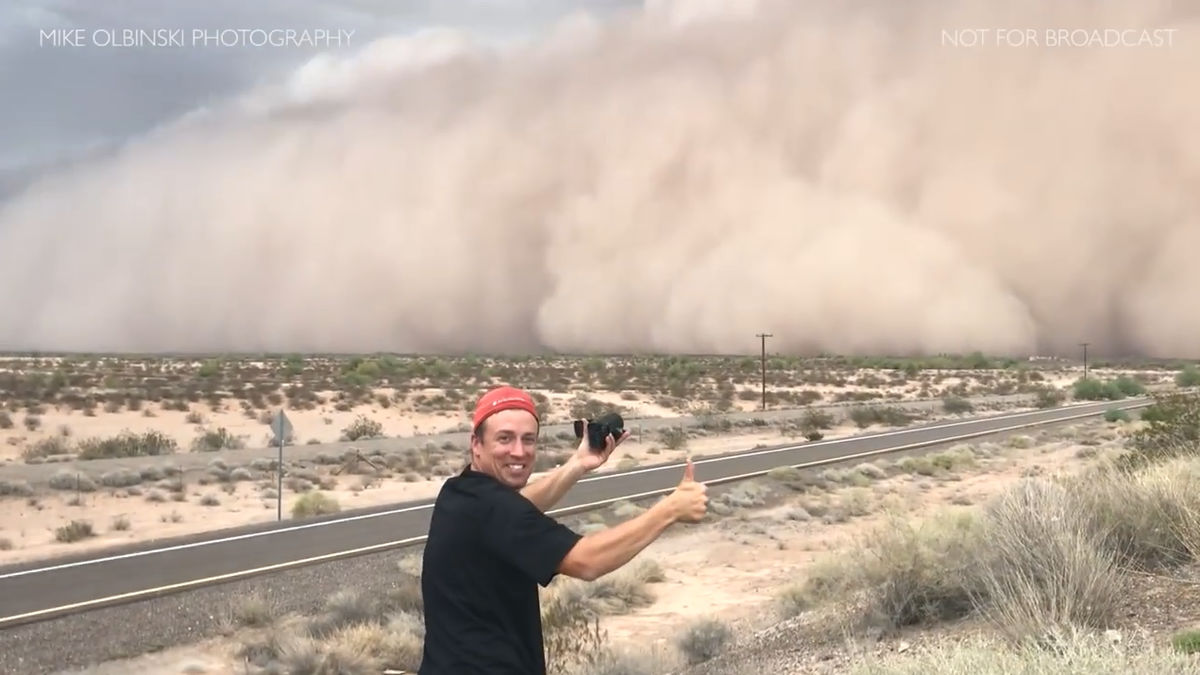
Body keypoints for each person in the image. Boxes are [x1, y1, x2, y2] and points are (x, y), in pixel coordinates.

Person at [417, 385, 708, 674]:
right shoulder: (494, 508)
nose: (518, 452)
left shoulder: (460, 493)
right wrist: (669, 510)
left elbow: (517, 508)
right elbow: (587, 561)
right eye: (504, 438)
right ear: (476, 444)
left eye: (528, 440)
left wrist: (578, 463)